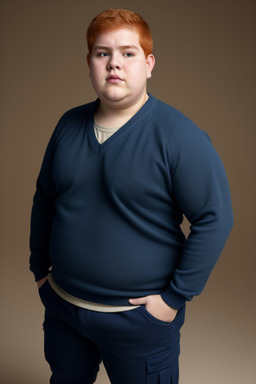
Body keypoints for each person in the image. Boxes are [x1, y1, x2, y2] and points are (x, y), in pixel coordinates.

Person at [29, 8, 233, 384]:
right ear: (89, 62)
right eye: (102, 53)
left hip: (137, 321)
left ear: (149, 63)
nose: (114, 65)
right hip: (64, 309)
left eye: (128, 53)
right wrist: (39, 271)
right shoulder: (67, 125)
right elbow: (45, 199)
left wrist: (174, 298)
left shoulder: (178, 136)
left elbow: (215, 218)